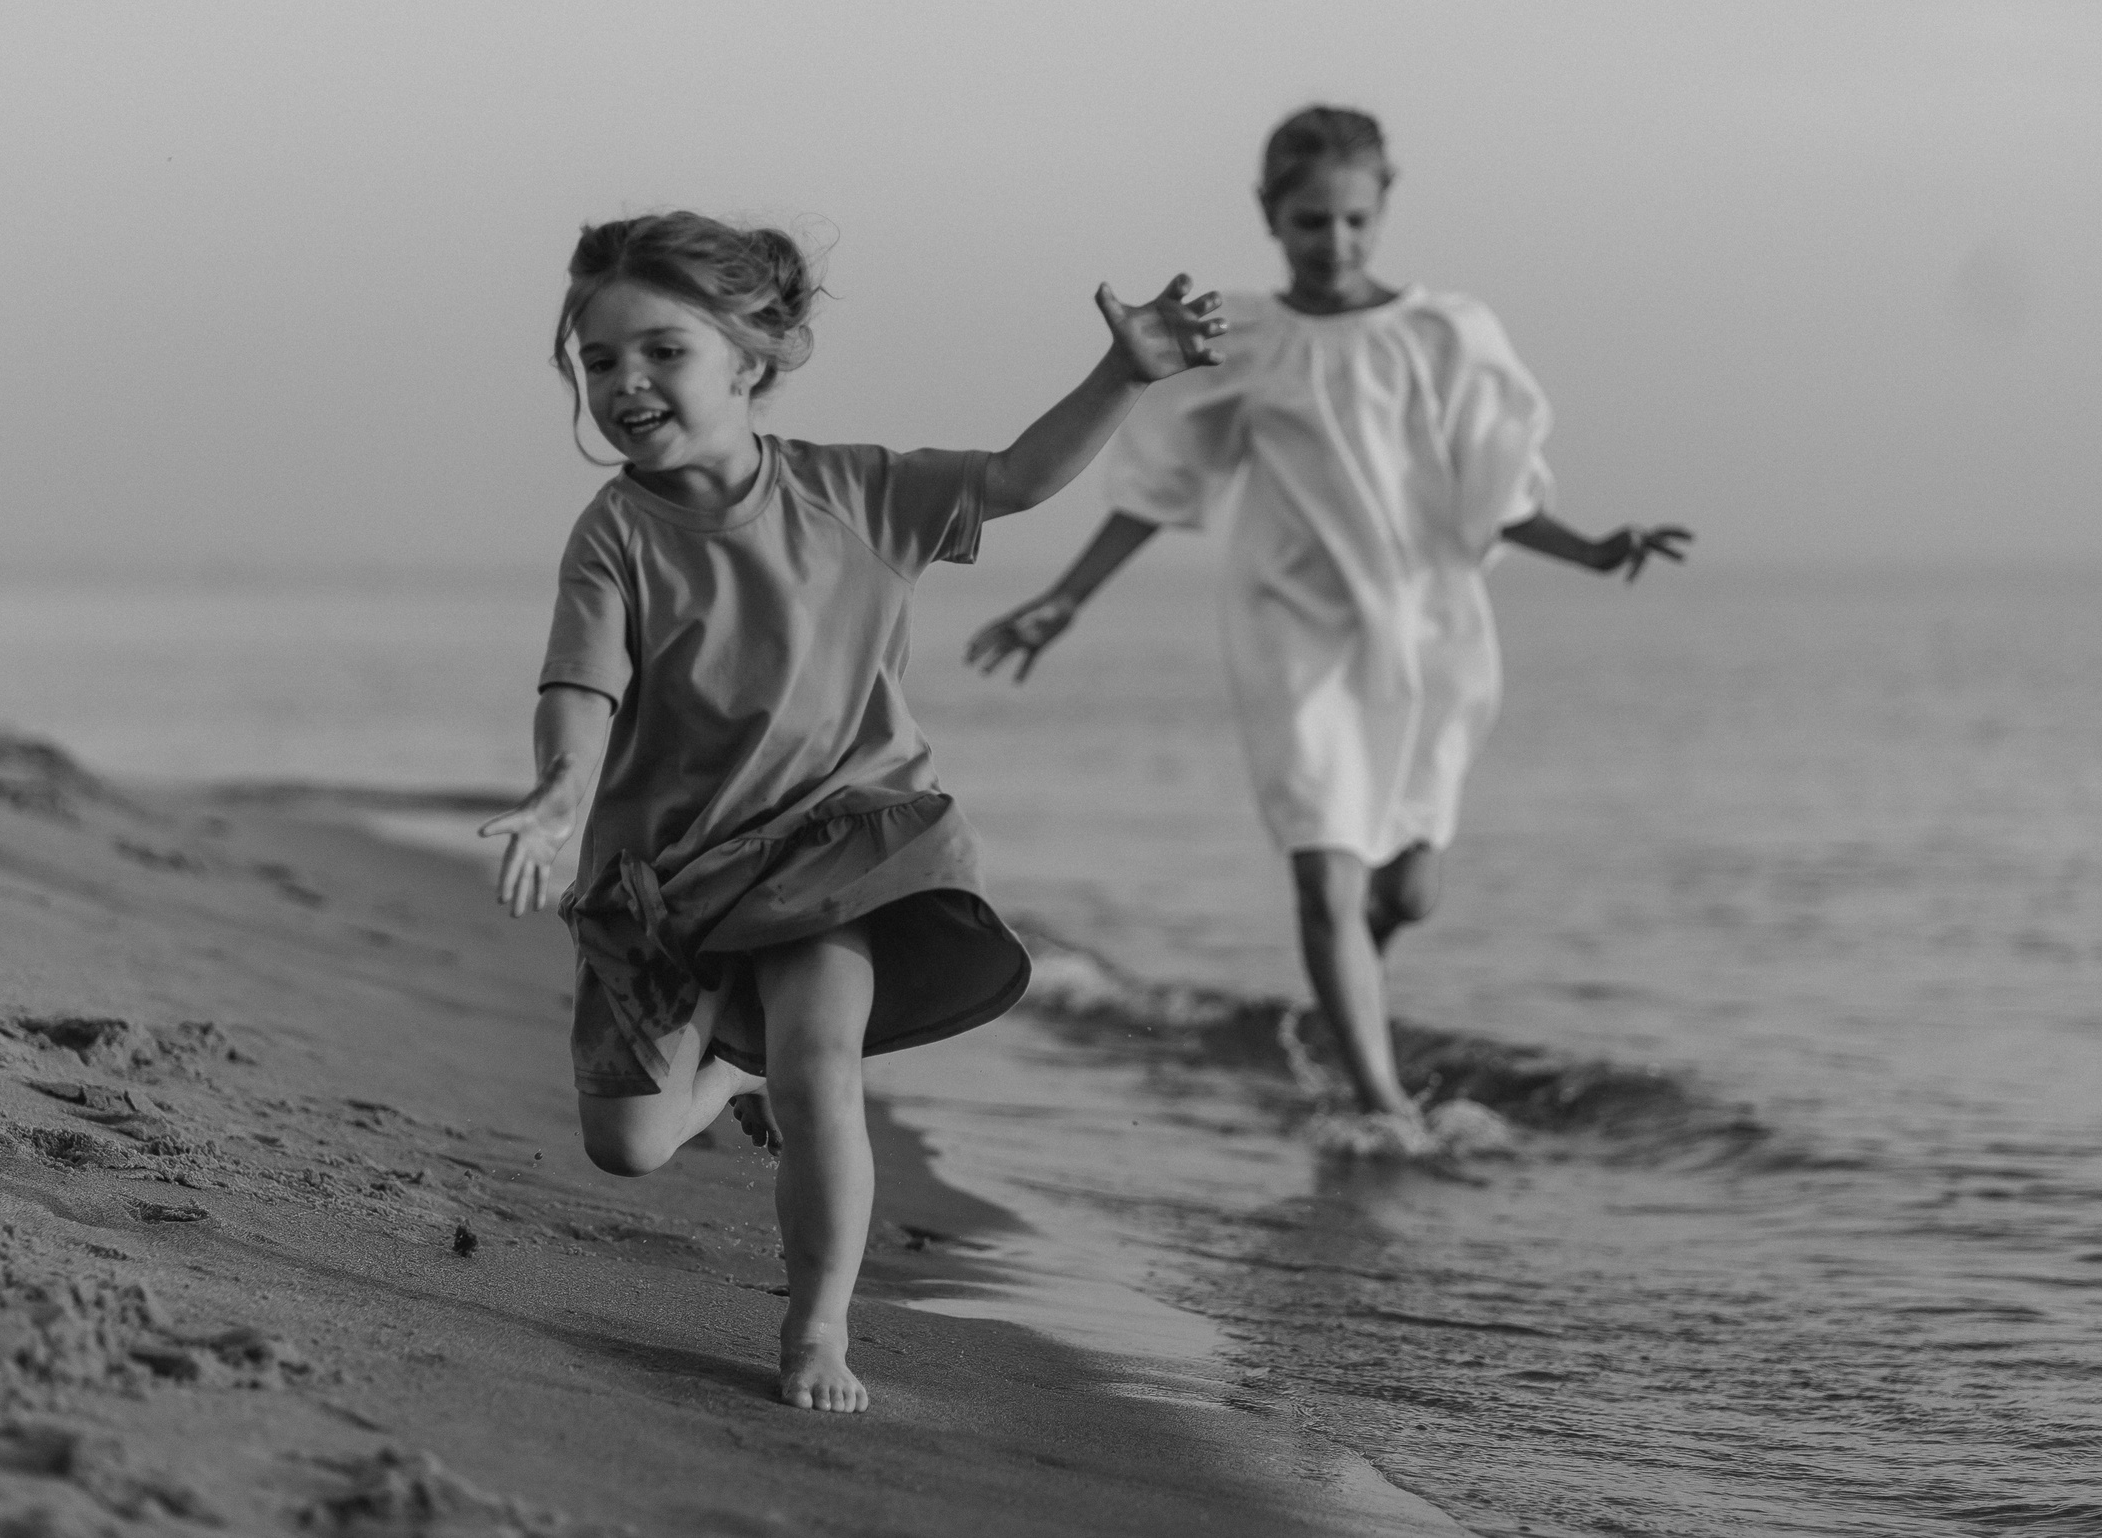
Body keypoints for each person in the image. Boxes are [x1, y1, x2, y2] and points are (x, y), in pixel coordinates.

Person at [481, 211, 1223, 1412]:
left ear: (753, 361)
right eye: (599, 359)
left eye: (662, 352)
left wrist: (1123, 372)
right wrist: (560, 795)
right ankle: (737, 1068)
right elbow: (581, 684)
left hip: (842, 837)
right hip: (665, 875)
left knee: (824, 1058)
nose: (625, 383)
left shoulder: (859, 493)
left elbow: (1019, 479)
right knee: (630, 1144)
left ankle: (816, 1331)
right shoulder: (615, 533)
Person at [966, 106, 1689, 1122]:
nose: (1334, 242)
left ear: (1383, 206)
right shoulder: (1243, 337)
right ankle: (1381, 1105)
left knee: (1406, 894)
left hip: (1428, 640)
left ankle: (1345, 996)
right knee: (1325, 877)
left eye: (1354, 219)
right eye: (1311, 221)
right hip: (1293, 633)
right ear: (1271, 216)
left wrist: (1595, 549)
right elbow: (1161, 485)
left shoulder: (1447, 334)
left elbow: (1499, 492)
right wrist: (1065, 600)